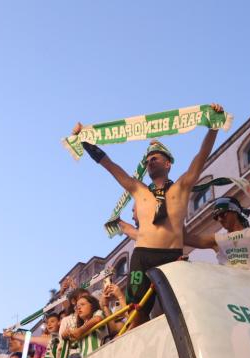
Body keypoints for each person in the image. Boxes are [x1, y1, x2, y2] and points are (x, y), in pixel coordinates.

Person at [73, 103, 225, 327]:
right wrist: (85, 141)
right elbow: (110, 166)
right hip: (143, 256)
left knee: (176, 309)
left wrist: (213, 126)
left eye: (155, 157)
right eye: (147, 159)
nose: (149, 161)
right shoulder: (139, 191)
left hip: (172, 255)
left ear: (168, 163)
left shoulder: (181, 187)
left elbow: (201, 157)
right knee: (137, 311)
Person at [184, 195, 250, 273]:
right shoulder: (217, 239)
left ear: (234, 212)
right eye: (216, 217)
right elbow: (185, 239)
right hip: (233, 288)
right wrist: (176, 211)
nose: (219, 219)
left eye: (222, 214)